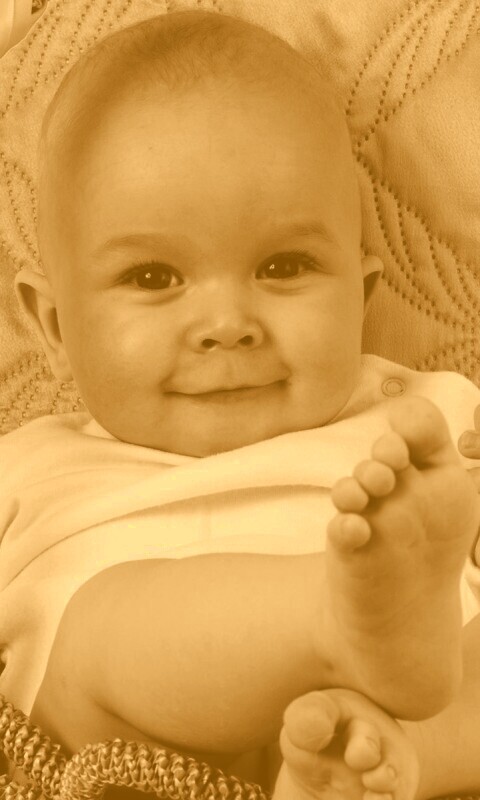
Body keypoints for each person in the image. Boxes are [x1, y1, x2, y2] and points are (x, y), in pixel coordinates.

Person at [1, 9, 478, 799]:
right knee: (101, 628)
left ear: (361, 298)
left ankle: (373, 761)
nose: (227, 324)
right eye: (154, 278)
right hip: (134, 738)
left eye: (284, 267)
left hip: (392, 715)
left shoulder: (421, 428)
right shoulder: (29, 464)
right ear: (54, 326)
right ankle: (336, 625)